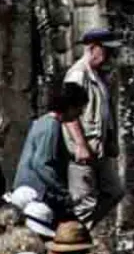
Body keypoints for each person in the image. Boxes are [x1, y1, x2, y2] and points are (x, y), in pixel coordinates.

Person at [62, 27, 123, 226]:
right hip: (84, 149)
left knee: (114, 191)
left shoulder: (98, 76)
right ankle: (74, 242)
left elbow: (104, 112)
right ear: (92, 48)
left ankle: (81, 232)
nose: (109, 56)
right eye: (106, 51)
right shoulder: (78, 75)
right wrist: (80, 144)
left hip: (99, 148)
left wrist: (111, 140)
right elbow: (68, 112)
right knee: (84, 204)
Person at [13, 85, 85, 220]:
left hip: (28, 190)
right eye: (78, 107)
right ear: (69, 106)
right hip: (34, 192)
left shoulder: (44, 122)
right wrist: (63, 192)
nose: (80, 113)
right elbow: (41, 164)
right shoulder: (51, 126)